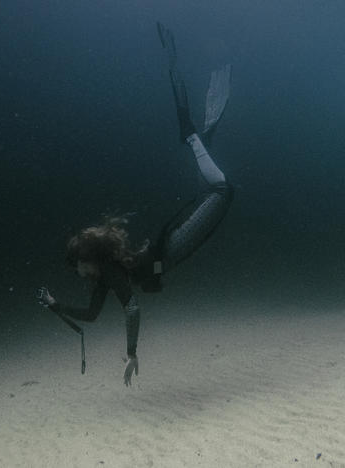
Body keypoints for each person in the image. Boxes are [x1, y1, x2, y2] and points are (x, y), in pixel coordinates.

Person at [38, 22, 234, 386]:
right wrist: (55, 307)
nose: (79, 274)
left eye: (78, 266)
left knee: (222, 190)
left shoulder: (109, 272)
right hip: (169, 247)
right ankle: (200, 133)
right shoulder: (106, 275)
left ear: (91, 260)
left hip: (172, 247)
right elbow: (93, 316)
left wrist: (132, 351)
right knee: (215, 188)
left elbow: (131, 308)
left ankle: (193, 133)